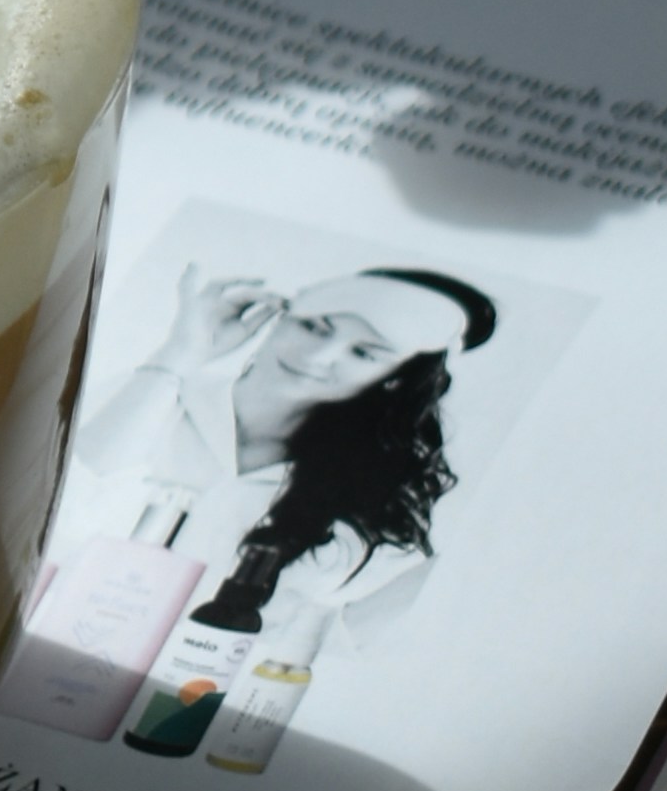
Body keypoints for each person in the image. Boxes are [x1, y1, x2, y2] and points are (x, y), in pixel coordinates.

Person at [61, 247, 502, 650]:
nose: (318, 356)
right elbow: (55, 498)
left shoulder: (370, 503)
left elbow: (328, 650)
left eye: (364, 354)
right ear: (280, 315)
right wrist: (179, 356)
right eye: (313, 327)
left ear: (394, 378)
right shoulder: (152, 392)